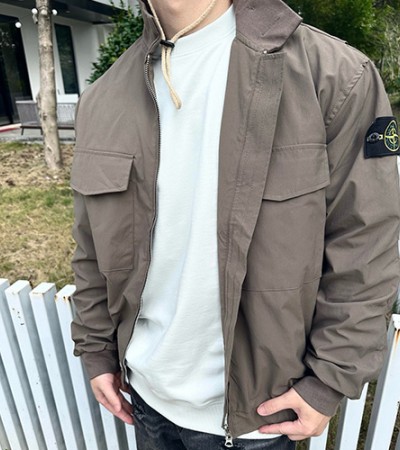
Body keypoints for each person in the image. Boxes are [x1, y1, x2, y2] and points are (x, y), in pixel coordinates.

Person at [70, 0, 400, 449]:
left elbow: (366, 245)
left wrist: (329, 379)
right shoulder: (103, 98)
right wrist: (96, 350)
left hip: (257, 420)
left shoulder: (334, 75)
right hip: (145, 399)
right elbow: (91, 248)